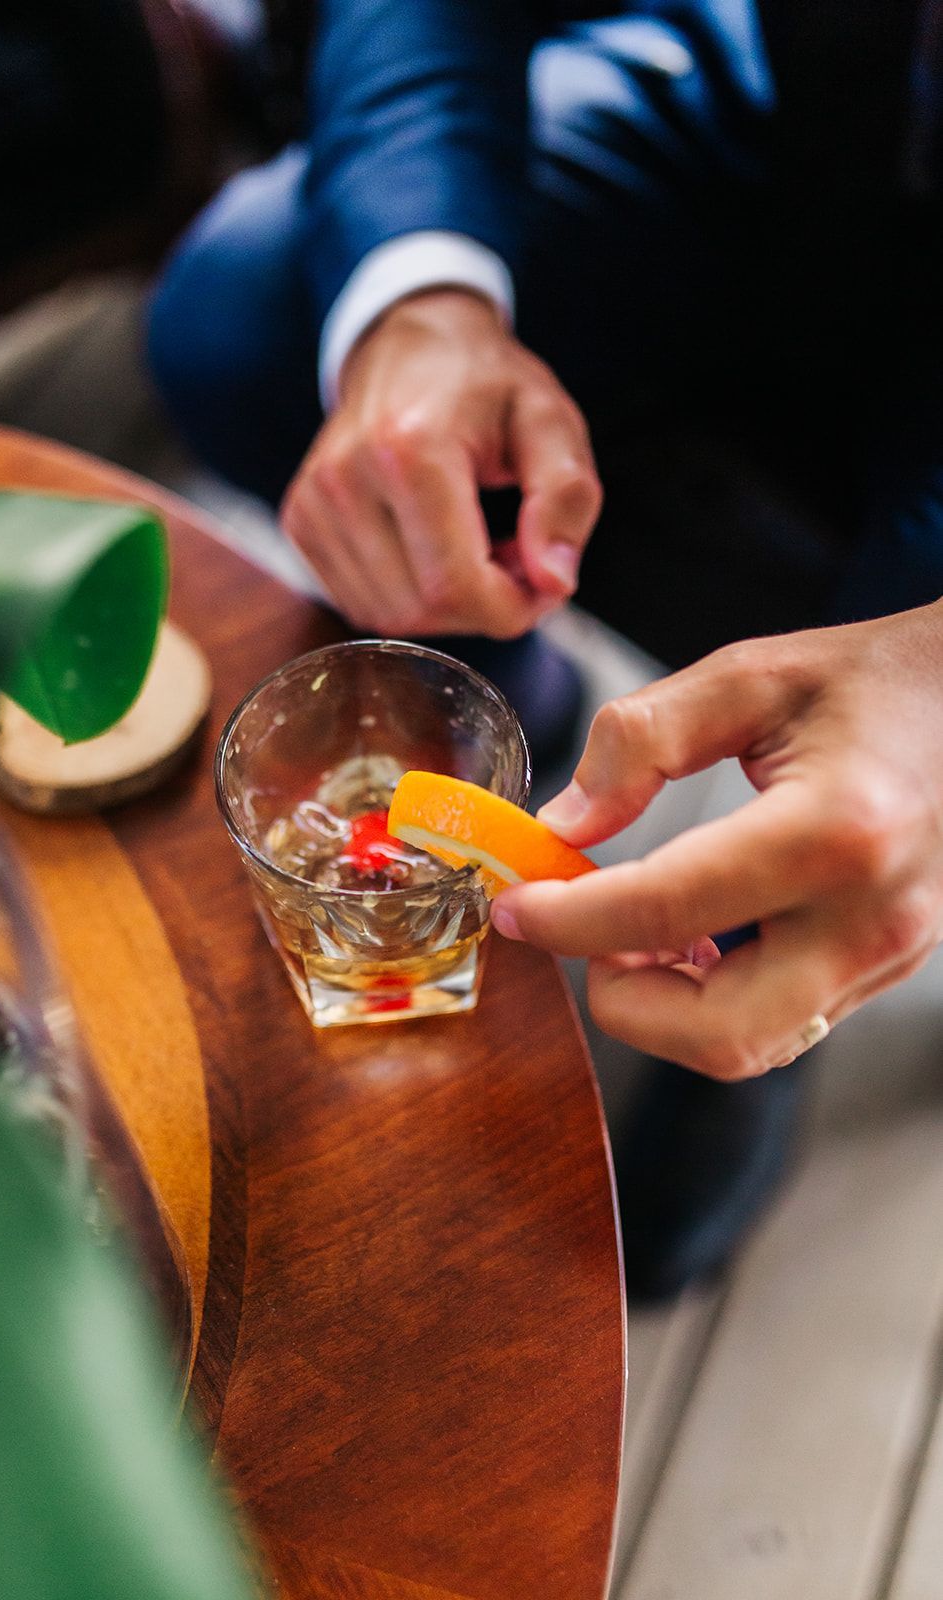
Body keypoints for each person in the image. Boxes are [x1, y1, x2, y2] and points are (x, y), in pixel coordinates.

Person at [148, 1, 943, 1295]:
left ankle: (768, 969)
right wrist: (424, 300)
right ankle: (498, 695)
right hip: (806, 83)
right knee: (244, 304)